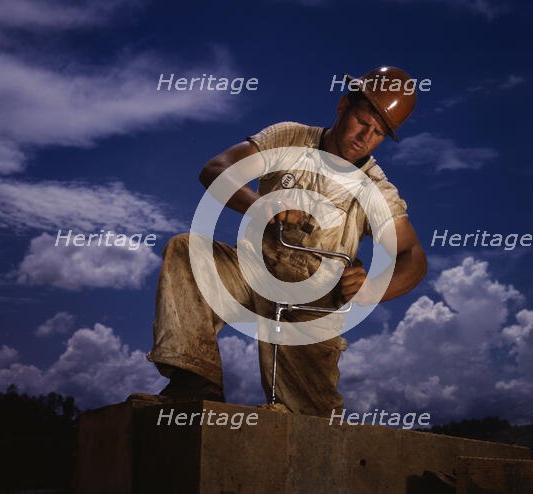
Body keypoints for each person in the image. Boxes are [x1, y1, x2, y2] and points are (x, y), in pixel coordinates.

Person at [137, 67, 427, 418]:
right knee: (187, 250)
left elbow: (413, 257)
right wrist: (258, 205)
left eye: (378, 133)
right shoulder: (289, 137)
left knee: (312, 421)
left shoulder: (376, 190)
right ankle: (193, 384)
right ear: (343, 105)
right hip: (251, 269)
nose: (366, 137)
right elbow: (215, 169)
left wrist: (375, 287)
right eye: (363, 121)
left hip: (310, 302)